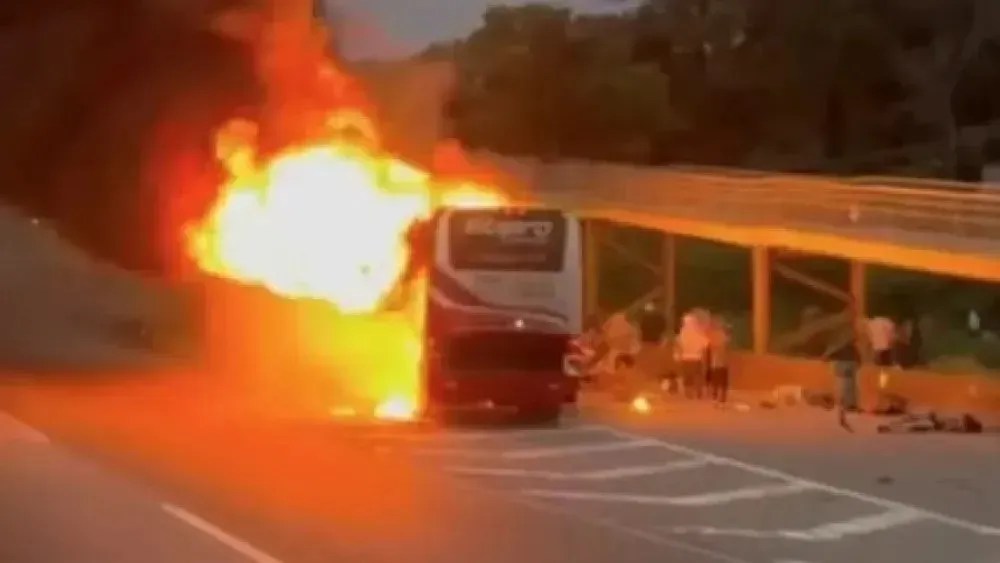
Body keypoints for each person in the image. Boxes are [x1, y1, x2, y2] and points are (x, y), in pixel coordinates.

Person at [823, 317, 868, 415]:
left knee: (844, 385)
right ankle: (849, 404)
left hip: (844, 364)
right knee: (849, 385)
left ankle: (845, 403)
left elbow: (832, 352)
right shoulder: (849, 345)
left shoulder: (840, 342)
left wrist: (827, 358)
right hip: (849, 364)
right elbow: (857, 356)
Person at [674, 312, 709, 399]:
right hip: (697, 358)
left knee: (687, 376)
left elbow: (678, 346)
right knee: (698, 375)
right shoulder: (698, 333)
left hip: (686, 358)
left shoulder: (682, 334)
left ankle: (688, 393)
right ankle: (698, 392)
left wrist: (677, 356)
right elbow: (705, 344)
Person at [707, 315, 731, 403]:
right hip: (722, 362)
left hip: (716, 363)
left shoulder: (713, 336)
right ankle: (721, 397)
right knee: (723, 382)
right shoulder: (723, 336)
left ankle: (716, 396)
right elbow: (727, 343)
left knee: (716, 381)